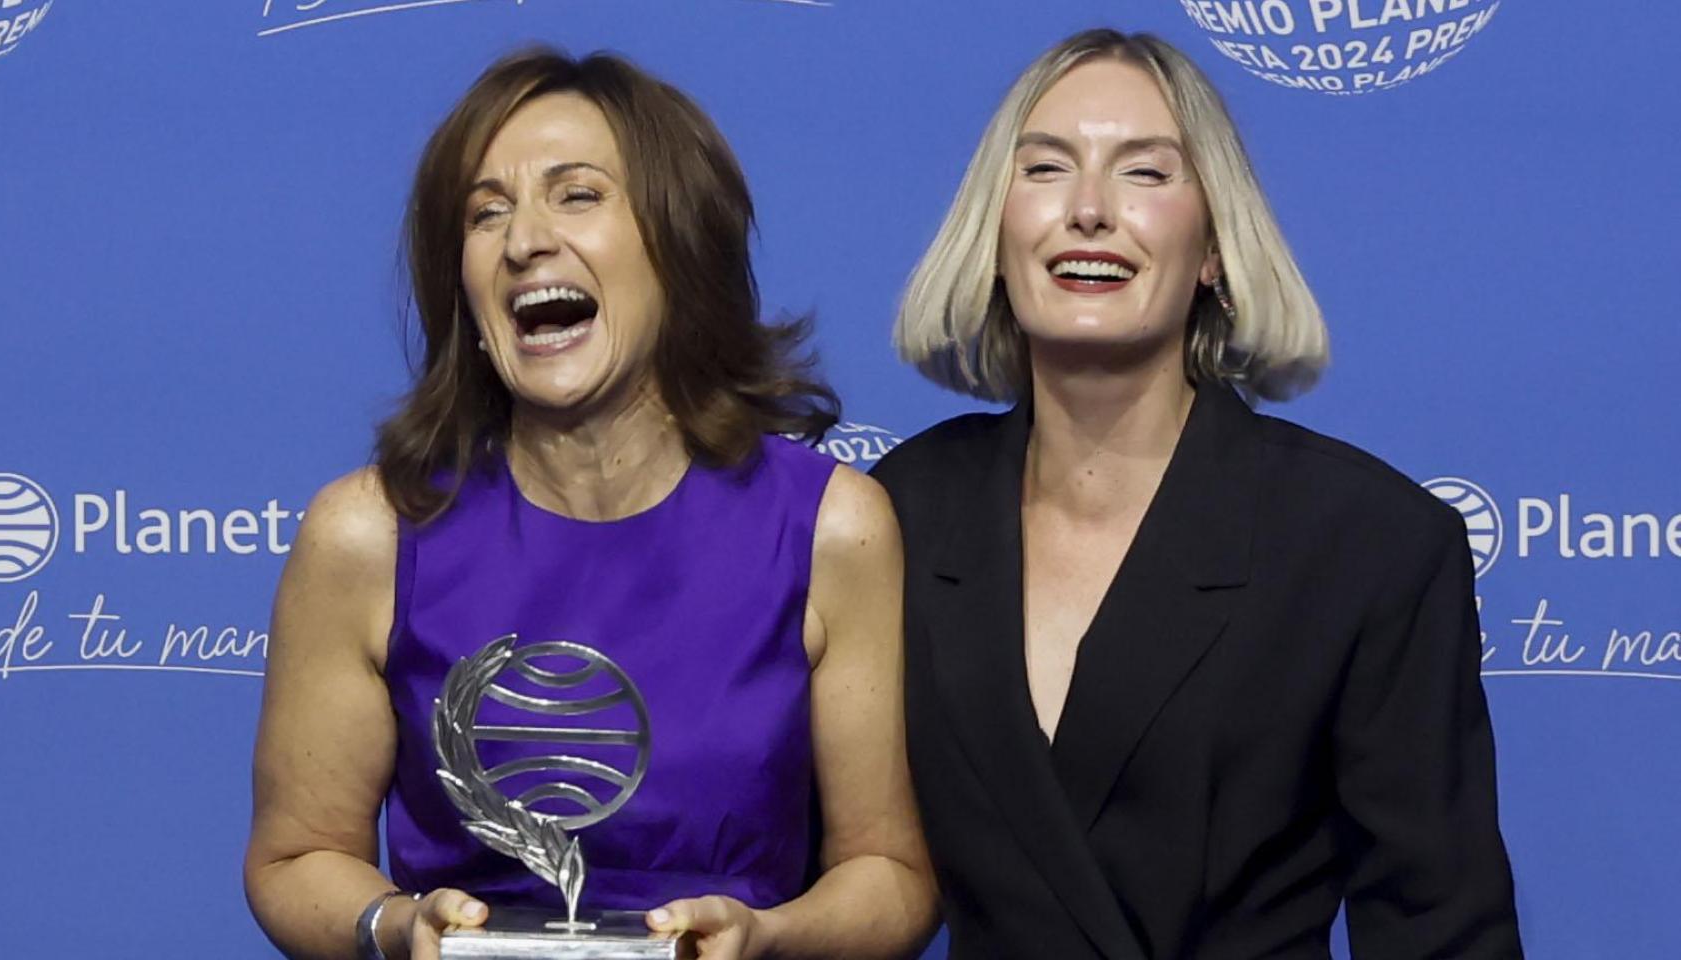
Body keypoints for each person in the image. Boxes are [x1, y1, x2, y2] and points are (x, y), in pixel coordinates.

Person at [244, 49, 935, 960]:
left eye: (576, 195)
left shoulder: (833, 529)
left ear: (678, 241)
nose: (524, 239)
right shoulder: (368, 533)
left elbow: (891, 874)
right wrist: (394, 925)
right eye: (486, 212)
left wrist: (769, 938)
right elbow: (296, 857)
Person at [870, 28, 1522, 960]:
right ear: (994, 232)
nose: (1088, 210)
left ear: (1214, 248)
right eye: (1046, 168)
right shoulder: (897, 510)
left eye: (1145, 173)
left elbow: (1443, 931)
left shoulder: (1370, 543)